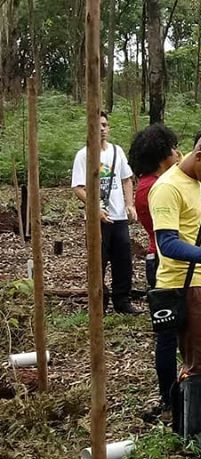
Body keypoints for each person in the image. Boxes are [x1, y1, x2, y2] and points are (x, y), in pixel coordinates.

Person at [148, 128, 201, 459]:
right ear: (199, 155)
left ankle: (186, 426)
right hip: (184, 285)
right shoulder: (167, 188)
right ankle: (197, 434)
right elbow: (167, 244)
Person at [129, 123, 180, 421]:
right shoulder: (155, 187)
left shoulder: (151, 183)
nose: (177, 153)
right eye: (172, 149)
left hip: (160, 260)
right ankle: (168, 397)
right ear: (162, 155)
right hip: (163, 263)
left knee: (174, 334)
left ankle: (177, 391)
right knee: (168, 336)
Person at [71, 111, 138, 314]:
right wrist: (95, 209)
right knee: (97, 260)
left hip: (118, 217)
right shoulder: (84, 155)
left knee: (123, 259)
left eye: (105, 125)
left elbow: (126, 179)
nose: (102, 128)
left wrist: (130, 204)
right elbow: (78, 187)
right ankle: (99, 301)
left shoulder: (117, 152)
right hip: (97, 219)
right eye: (98, 125)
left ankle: (122, 300)